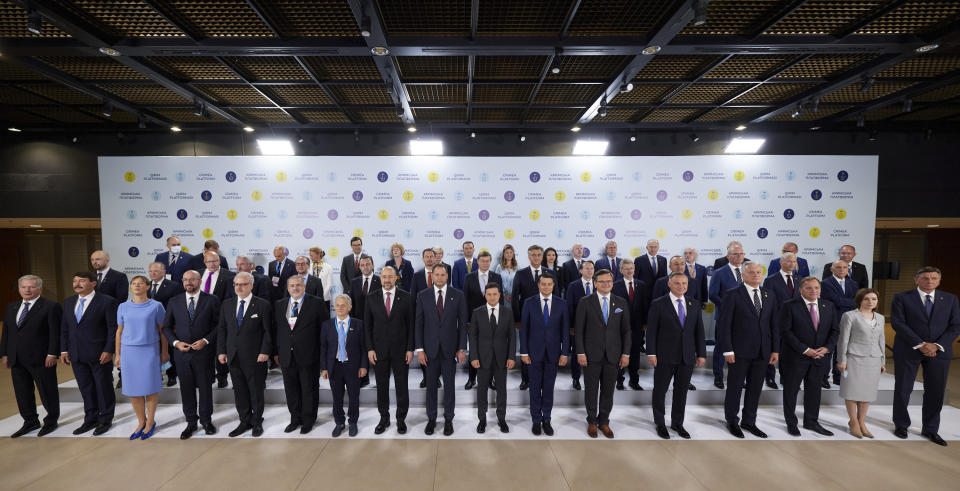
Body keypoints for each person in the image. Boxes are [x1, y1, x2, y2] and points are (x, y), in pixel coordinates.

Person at [891, 266, 960, 446]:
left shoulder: (951, 299)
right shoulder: (901, 297)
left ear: (939, 280)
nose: (929, 281)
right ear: (916, 280)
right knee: (903, 389)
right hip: (909, 349)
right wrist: (921, 344)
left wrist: (936, 345)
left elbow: (955, 326)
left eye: (934, 278)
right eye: (925, 278)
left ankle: (930, 429)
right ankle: (901, 425)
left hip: (939, 352)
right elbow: (898, 323)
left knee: (935, 392)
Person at [718, 262, 779, 439]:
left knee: (755, 389)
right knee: (735, 388)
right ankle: (732, 421)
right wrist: (727, 349)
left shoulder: (769, 294)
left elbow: (774, 324)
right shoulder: (732, 294)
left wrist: (775, 349)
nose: (755, 275)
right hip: (739, 351)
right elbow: (724, 325)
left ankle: (749, 421)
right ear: (743, 276)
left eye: (758, 272)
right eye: (751, 273)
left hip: (763, 351)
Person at [161, 269, 220, 439]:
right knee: (186, 389)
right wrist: (176, 343)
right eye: (185, 280)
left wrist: (206, 341)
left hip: (204, 353)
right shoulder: (174, 301)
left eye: (192, 279)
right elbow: (166, 327)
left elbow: (218, 326)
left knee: (205, 389)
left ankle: (206, 421)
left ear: (200, 281)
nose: (188, 283)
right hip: (182, 354)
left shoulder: (212, 300)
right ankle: (191, 422)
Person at [2, 275, 62, 438]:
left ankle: (51, 421)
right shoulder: (11, 307)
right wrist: (5, 353)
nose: (27, 290)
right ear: (19, 289)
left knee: (47, 391)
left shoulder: (51, 306)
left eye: (31, 287)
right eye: (23, 287)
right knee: (22, 392)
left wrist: (52, 353)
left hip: (42, 357)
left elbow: (55, 333)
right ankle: (30, 421)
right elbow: (7, 332)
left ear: (40, 289)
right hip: (16, 358)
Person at [646, 272, 705, 439]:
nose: (681, 286)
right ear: (669, 284)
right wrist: (651, 352)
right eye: (677, 283)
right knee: (660, 391)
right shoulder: (658, 304)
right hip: (664, 356)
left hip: (686, 357)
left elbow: (699, 331)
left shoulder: (694, 303)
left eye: (684, 283)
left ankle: (678, 423)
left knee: (681, 392)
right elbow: (651, 332)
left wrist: (701, 353)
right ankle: (660, 423)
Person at [779, 277, 839, 437]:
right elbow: (785, 332)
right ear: (800, 290)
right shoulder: (789, 306)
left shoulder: (828, 306)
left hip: (820, 357)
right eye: (809, 288)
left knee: (814, 391)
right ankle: (791, 423)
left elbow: (835, 331)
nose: (814, 291)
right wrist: (805, 350)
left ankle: (811, 422)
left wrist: (827, 348)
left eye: (816, 288)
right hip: (795, 357)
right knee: (791, 391)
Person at [575, 269, 631, 439]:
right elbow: (579, 331)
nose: (606, 284)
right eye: (602, 281)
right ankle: (592, 421)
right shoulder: (585, 302)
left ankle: (604, 421)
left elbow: (627, 330)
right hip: (591, 354)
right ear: (595, 283)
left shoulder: (620, 302)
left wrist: (626, 354)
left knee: (608, 390)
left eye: (609, 281)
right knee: (591, 390)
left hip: (613, 355)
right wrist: (580, 352)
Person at [60, 271, 118, 436]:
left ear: (93, 283)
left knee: (103, 387)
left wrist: (109, 350)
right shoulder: (69, 301)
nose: (77, 284)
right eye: (75, 281)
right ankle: (90, 418)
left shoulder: (107, 301)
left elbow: (112, 329)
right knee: (85, 388)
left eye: (82, 281)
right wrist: (64, 350)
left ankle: (105, 419)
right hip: (76, 354)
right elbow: (65, 328)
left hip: (99, 354)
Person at [217, 272, 273, 438]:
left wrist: (265, 351)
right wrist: (221, 351)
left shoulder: (262, 305)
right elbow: (222, 329)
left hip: (256, 356)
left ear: (251, 285)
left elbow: (268, 332)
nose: (239, 287)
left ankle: (257, 421)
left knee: (255, 391)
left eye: (243, 284)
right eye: (236, 284)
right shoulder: (227, 304)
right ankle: (244, 420)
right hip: (233, 356)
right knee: (240, 391)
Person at [415, 264, 467, 436]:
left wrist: (462, 348)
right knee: (431, 387)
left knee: (449, 387)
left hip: (450, 350)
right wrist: (420, 349)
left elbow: (462, 324)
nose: (439, 277)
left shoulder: (458, 295)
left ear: (447, 276)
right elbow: (419, 324)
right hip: (429, 351)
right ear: (433, 276)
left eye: (442, 274)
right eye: (436, 274)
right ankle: (431, 419)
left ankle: (448, 420)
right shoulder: (423, 295)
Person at [115, 275, 169, 440]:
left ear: (147, 287)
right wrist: (117, 354)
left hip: (149, 352)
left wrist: (164, 352)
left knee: (150, 389)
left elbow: (163, 331)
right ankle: (141, 421)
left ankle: (151, 422)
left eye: (140, 283)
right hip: (129, 353)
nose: (136, 286)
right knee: (133, 390)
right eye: (133, 283)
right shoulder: (123, 306)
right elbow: (119, 331)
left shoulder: (156, 306)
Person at [274, 275, 327, 435]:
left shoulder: (316, 303)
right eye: (292, 286)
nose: (295, 288)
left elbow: (324, 331)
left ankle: (308, 420)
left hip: (309, 355)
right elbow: (277, 330)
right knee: (291, 389)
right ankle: (295, 419)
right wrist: (276, 352)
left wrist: (322, 355)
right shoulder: (279, 304)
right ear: (287, 288)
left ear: (304, 287)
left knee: (309, 389)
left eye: (298, 285)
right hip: (286, 356)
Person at [364, 266, 414, 435]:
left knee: (401, 387)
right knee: (382, 387)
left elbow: (411, 326)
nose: (386, 280)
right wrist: (370, 349)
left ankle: (401, 420)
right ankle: (383, 419)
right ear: (380, 278)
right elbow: (367, 326)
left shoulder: (406, 297)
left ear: (396, 278)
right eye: (384, 276)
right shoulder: (371, 298)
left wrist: (409, 348)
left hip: (401, 351)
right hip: (379, 351)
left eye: (390, 277)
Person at [520, 270, 568, 435]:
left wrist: (564, 353)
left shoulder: (562, 303)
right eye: (543, 284)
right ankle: (535, 420)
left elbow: (564, 331)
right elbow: (524, 330)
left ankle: (546, 419)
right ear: (538, 285)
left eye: (549, 284)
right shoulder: (529, 302)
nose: (546, 287)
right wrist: (524, 352)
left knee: (548, 388)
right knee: (534, 388)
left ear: (553, 285)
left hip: (553, 354)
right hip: (533, 353)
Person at [836, 288, 885, 438]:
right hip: (854, 358)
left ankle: (861, 421)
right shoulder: (850, 316)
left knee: (867, 393)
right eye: (867, 299)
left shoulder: (880, 318)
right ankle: (853, 422)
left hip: (874, 359)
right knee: (852, 391)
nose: (870, 302)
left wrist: (882, 360)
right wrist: (841, 360)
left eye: (874, 299)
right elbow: (843, 340)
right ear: (860, 300)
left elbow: (881, 339)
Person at [470, 282, 516, 434]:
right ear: (485, 295)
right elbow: (473, 337)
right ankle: (482, 420)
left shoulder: (507, 312)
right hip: (482, 358)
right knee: (481, 389)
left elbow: (512, 336)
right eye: (489, 294)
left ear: (499, 295)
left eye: (495, 294)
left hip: (502, 358)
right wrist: (474, 356)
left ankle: (501, 419)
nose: (492, 297)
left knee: (501, 390)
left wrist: (511, 357)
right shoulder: (477, 312)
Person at [322, 294, 368, 437]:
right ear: (334, 307)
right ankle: (339, 422)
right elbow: (323, 347)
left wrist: (363, 366)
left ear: (350, 307)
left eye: (343, 305)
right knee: (337, 397)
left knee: (354, 396)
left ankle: (353, 422)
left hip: (353, 366)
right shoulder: (327, 325)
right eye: (337, 305)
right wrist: (324, 367)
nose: (340, 308)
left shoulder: (359, 324)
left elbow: (364, 347)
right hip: (334, 366)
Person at [708, 242, 746, 389]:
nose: (739, 256)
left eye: (741, 254)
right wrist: (730, 307)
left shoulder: (748, 271)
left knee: (740, 347)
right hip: (725, 316)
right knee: (721, 346)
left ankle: (737, 377)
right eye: (736, 254)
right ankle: (718, 376)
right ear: (728, 256)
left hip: (744, 318)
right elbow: (713, 295)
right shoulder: (719, 273)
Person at [463, 250, 503, 390]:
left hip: (492, 318)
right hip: (473, 320)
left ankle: (490, 380)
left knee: (491, 350)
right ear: (477, 262)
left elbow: (501, 299)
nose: (485, 263)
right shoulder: (469, 277)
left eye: (487, 261)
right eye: (482, 261)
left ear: (490, 262)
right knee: (473, 349)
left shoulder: (497, 277)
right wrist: (466, 321)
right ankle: (471, 379)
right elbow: (465, 300)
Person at [762, 251, 802, 390]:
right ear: (781, 262)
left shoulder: (799, 280)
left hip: (795, 323)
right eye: (789, 261)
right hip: (776, 322)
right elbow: (767, 303)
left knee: (790, 352)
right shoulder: (770, 280)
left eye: (794, 261)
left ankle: (786, 378)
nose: (792, 264)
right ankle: (770, 378)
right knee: (773, 350)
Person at [512, 245, 547, 390]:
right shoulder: (520, 273)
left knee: (544, 348)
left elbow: (556, 296)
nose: (536, 257)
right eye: (533, 255)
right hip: (526, 319)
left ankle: (542, 379)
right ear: (528, 256)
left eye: (539, 254)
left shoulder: (549, 273)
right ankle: (525, 379)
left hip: (546, 319)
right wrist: (517, 320)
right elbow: (514, 297)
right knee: (526, 349)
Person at [820, 259, 857, 387]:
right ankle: (823, 377)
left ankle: (838, 376)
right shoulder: (825, 283)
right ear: (832, 269)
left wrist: (845, 302)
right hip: (831, 320)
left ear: (848, 269)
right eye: (838, 267)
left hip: (848, 321)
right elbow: (833, 301)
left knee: (842, 349)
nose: (842, 270)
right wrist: (849, 302)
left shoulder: (853, 284)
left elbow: (857, 302)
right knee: (829, 350)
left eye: (844, 267)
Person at [202, 251, 236, 388]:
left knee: (220, 348)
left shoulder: (229, 275)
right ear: (204, 263)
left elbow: (231, 299)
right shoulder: (197, 274)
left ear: (219, 261)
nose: (212, 264)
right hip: (201, 318)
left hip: (220, 317)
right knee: (204, 350)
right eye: (209, 261)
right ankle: (208, 376)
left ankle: (222, 376)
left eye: (215, 261)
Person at [613, 260, 648, 390]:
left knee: (635, 354)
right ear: (621, 270)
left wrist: (645, 322)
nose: (629, 271)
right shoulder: (615, 285)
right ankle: (619, 380)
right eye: (626, 268)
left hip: (637, 326)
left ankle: (634, 381)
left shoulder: (641, 285)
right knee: (620, 353)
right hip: (620, 327)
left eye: (631, 268)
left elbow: (645, 305)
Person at [147, 262, 183, 386]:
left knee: (169, 350)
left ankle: (172, 375)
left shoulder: (174, 286)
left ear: (163, 272)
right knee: (154, 350)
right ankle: (157, 374)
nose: (153, 273)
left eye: (156, 271)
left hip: (167, 323)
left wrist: (174, 323)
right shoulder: (146, 286)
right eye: (151, 271)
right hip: (150, 325)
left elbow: (178, 306)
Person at [564, 259, 594, 390]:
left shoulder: (599, 284)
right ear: (581, 270)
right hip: (577, 327)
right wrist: (571, 327)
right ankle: (576, 378)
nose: (589, 271)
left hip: (595, 327)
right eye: (586, 268)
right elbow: (569, 307)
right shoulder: (573, 285)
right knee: (577, 352)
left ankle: (591, 378)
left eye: (592, 268)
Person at [494, 244, 518, 310]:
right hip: (502, 298)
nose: (509, 254)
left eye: (511, 252)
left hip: (514, 298)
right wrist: (504, 295)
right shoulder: (499, 267)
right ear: (504, 254)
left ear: (513, 254)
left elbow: (520, 283)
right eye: (507, 252)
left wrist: (514, 295)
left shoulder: (517, 267)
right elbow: (496, 283)